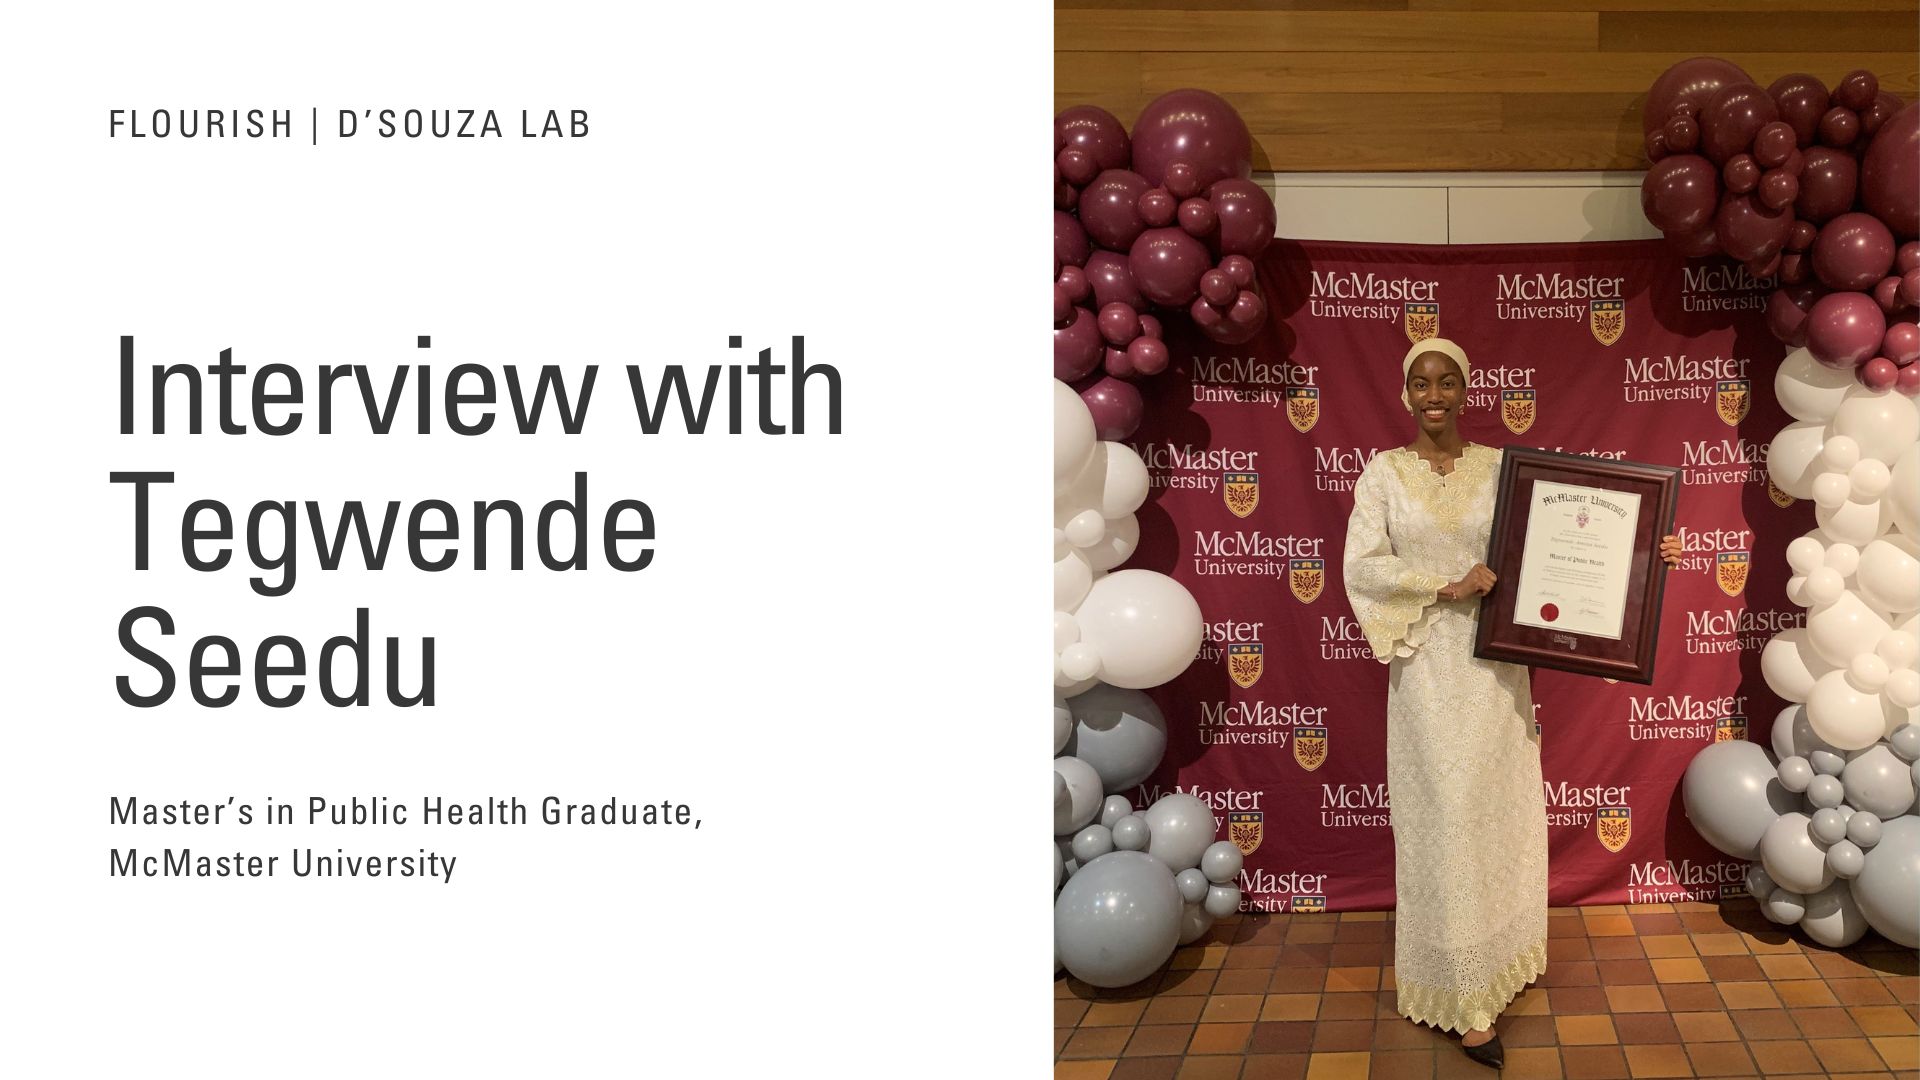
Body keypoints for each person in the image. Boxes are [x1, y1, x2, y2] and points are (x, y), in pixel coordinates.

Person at [1341, 338, 1682, 1070]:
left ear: (1467, 391)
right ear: (1405, 394)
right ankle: (1463, 998)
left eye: (1448, 382)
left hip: (1497, 672)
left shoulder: (1505, 470)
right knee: (1446, 816)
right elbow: (1361, 566)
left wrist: (1645, 551)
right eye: (1421, 383)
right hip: (1428, 670)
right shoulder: (1383, 475)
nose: (1434, 395)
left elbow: (1562, 543)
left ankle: (1494, 963)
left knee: (1494, 813)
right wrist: (1443, 584)